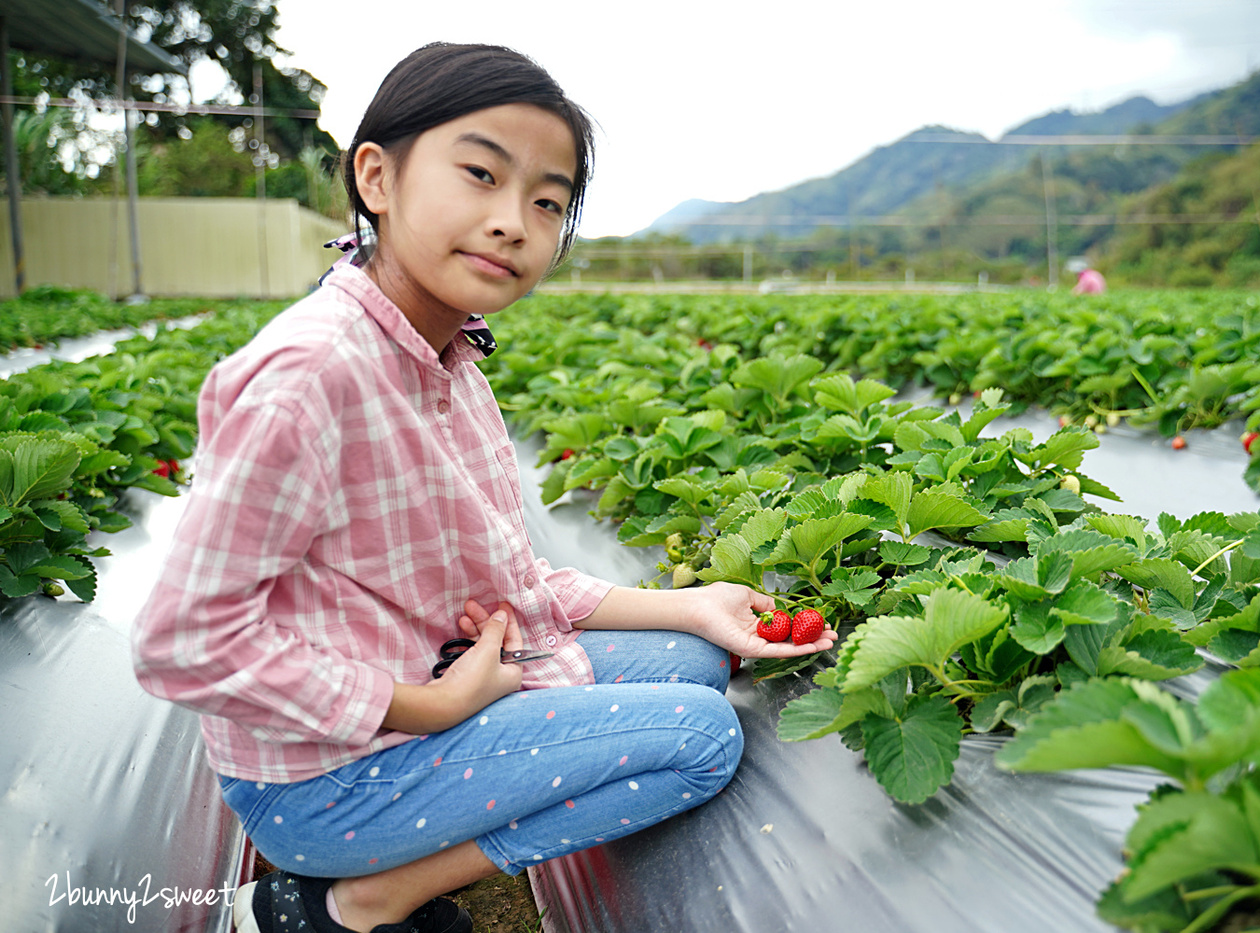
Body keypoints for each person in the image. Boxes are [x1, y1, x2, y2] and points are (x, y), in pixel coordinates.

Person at [130, 43, 834, 933]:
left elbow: (514, 581)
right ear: (377, 178)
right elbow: (177, 640)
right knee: (703, 740)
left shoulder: (449, 359)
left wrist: (691, 605)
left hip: (426, 689)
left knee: (698, 661)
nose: (513, 222)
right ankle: (364, 898)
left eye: (547, 202)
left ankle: (387, 865)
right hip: (327, 779)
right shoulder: (312, 376)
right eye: (479, 174)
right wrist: (433, 705)